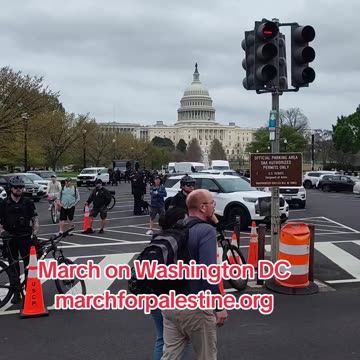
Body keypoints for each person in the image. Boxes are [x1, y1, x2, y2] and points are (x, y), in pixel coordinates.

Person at [161, 189, 228, 360]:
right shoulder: (205, 231)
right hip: (195, 306)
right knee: (206, 355)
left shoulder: (176, 227)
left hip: (170, 304)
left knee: (170, 355)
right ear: (203, 207)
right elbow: (209, 272)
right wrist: (219, 306)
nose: (214, 206)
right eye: (212, 203)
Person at [150, 207, 190, 360]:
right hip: (174, 296)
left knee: (161, 339)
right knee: (182, 340)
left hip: (154, 293)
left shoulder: (156, 238)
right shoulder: (181, 240)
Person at [0, 176, 40, 304]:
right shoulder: (4, 203)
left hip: (25, 238)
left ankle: (29, 290)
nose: (19, 190)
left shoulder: (28, 202)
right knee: (14, 267)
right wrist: (2, 232)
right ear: (11, 189)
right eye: (16, 187)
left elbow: (35, 220)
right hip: (10, 239)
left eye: (21, 187)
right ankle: (16, 292)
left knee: (29, 265)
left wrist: (34, 235)